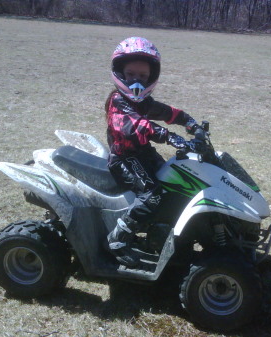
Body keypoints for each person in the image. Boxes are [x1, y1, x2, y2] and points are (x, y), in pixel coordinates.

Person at [105, 36, 200, 267]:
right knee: (152, 193)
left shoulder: (144, 101)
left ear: (151, 77)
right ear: (119, 73)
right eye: (131, 75)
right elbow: (136, 126)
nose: (136, 81)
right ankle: (118, 238)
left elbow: (167, 112)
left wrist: (190, 123)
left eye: (142, 76)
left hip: (143, 153)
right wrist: (169, 136)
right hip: (124, 158)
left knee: (174, 179)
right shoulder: (117, 102)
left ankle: (161, 229)